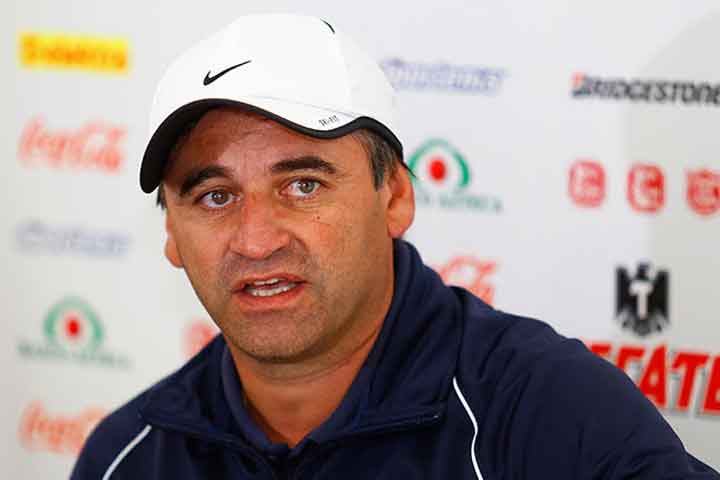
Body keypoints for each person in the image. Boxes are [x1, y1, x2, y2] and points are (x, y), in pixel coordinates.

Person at [71, 13, 719, 480]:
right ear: (172, 234)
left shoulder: (551, 417)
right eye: (215, 196)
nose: (257, 239)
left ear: (396, 198)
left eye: (303, 184)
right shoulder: (127, 457)